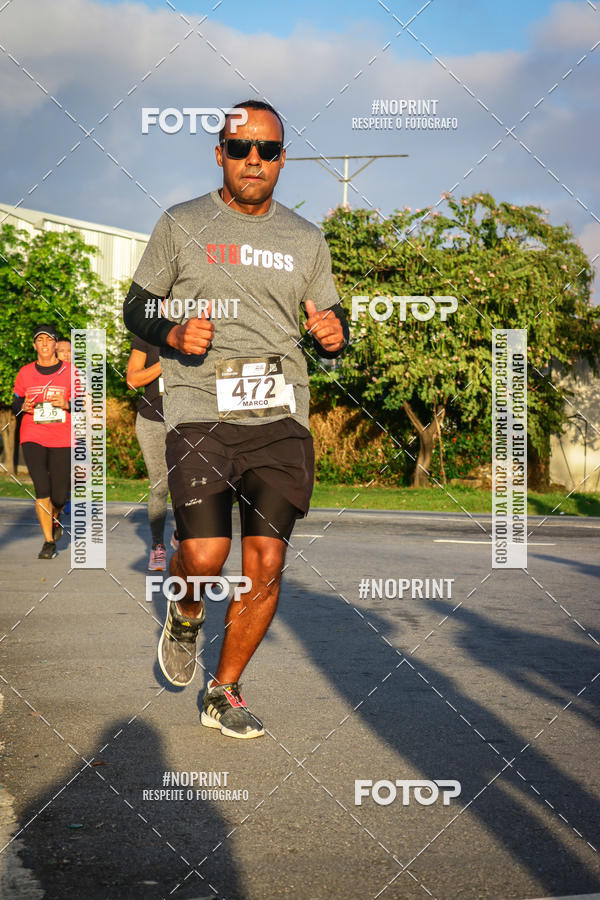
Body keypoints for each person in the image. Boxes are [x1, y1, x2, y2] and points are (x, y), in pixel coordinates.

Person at [123, 100, 348, 739]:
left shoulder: (306, 238)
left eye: (269, 151)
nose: (255, 160)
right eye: (242, 148)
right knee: (204, 550)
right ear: (219, 153)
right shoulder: (181, 223)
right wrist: (171, 329)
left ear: (282, 159)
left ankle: (224, 691)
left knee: (266, 561)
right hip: (199, 407)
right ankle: (188, 612)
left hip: (280, 416)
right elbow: (135, 308)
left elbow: (334, 324)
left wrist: (335, 336)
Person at [12, 324, 73, 559]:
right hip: (32, 435)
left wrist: (68, 405)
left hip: (62, 437)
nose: (45, 344)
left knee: (59, 495)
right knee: (42, 489)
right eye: (40, 340)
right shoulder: (25, 372)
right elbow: (16, 401)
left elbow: (86, 405)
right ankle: (48, 542)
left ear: (55, 344)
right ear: (34, 345)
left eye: (49, 340)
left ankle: (55, 516)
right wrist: (22, 407)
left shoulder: (71, 372)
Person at [126, 335, 170, 570]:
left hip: (189, 421)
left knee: (192, 482)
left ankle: (185, 535)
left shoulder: (197, 330)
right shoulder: (147, 333)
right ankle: (157, 546)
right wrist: (166, 363)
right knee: (160, 486)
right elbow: (132, 380)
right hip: (152, 420)